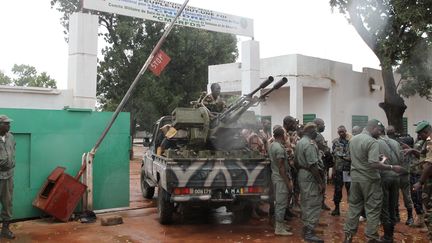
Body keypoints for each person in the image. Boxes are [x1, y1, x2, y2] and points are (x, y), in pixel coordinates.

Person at [343, 119, 403, 243]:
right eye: (379, 131)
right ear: (374, 128)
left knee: (354, 208)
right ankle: (372, 238)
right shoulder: (372, 141)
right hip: (370, 180)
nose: (380, 134)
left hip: (355, 180)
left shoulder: (353, 139)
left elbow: (357, 157)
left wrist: (377, 158)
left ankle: (348, 236)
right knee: (373, 210)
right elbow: (373, 164)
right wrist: (392, 167)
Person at [294, 122, 325, 243]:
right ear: (310, 131)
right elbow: (313, 165)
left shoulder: (300, 142)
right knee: (313, 202)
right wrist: (320, 182)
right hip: (311, 175)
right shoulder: (310, 144)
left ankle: (306, 228)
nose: (316, 133)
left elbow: (296, 162)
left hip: (302, 174)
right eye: (315, 131)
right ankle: (309, 232)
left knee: (306, 201)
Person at [377, 124, 403, 242]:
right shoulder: (396, 143)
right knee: (393, 206)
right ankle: (390, 233)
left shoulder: (376, 142)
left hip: (384, 177)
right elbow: (401, 160)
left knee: (384, 207)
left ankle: (387, 236)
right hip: (396, 177)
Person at [268, 126, 293, 236]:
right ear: (282, 135)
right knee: (281, 203)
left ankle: (281, 224)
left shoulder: (272, 145)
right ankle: (279, 228)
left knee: (279, 202)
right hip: (280, 179)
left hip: (276, 177)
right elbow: (281, 167)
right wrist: (288, 182)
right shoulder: (278, 148)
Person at [412, 121, 432, 240]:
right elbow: (424, 157)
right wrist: (412, 151)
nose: (420, 137)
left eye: (421, 134)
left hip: (430, 182)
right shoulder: (427, 142)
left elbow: (429, 165)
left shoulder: (430, 142)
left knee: (429, 212)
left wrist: (420, 182)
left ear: (426, 132)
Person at [0, 115, 15, 239]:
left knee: (7, 203)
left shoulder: (10, 137)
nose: (9, 126)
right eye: (6, 123)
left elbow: (13, 150)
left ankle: (5, 229)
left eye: (9, 123)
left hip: (8, 176)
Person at [331, 125, 352, 216]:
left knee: (350, 190)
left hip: (348, 170)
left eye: (343, 131)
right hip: (339, 170)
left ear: (346, 131)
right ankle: (336, 209)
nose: (341, 133)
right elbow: (334, 157)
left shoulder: (351, 142)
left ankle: (351, 210)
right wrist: (333, 170)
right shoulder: (335, 142)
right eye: (340, 132)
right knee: (337, 190)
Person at [313, 118, 332, 211]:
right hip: (319, 163)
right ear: (317, 125)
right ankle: (319, 204)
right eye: (322, 124)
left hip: (321, 163)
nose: (324, 126)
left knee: (322, 183)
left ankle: (321, 203)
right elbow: (324, 148)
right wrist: (328, 150)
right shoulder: (318, 136)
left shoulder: (317, 135)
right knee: (321, 184)